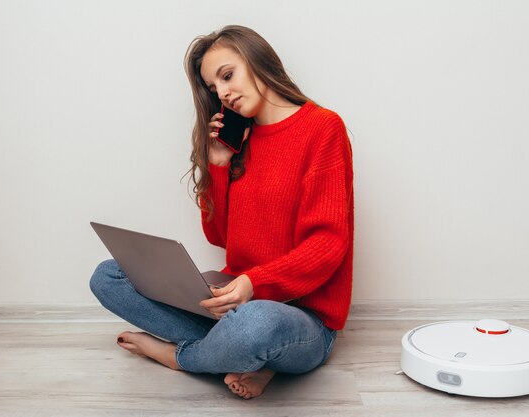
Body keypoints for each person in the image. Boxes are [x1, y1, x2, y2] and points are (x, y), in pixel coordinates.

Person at [89, 25, 354, 400]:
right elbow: (219, 237)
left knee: (254, 325)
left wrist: (254, 285)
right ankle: (250, 360)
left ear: (257, 60)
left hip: (300, 319)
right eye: (214, 88)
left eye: (227, 75)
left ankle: (183, 358)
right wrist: (218, 164)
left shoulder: (322, 128)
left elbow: (328, 244)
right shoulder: (237, 141)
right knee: (108, 276)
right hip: (234, 300)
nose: (223, 93)